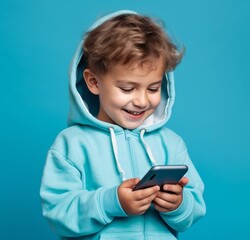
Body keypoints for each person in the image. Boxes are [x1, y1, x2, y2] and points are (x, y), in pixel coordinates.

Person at [39, 9, 206, 240]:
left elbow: (195, 207)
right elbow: (58, 213)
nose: (142, 100)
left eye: (153, 88)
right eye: (127, 89)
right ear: (93, 82)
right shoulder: (71, 145)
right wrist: (112, 202)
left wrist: (178, 204)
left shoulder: (171, 143)